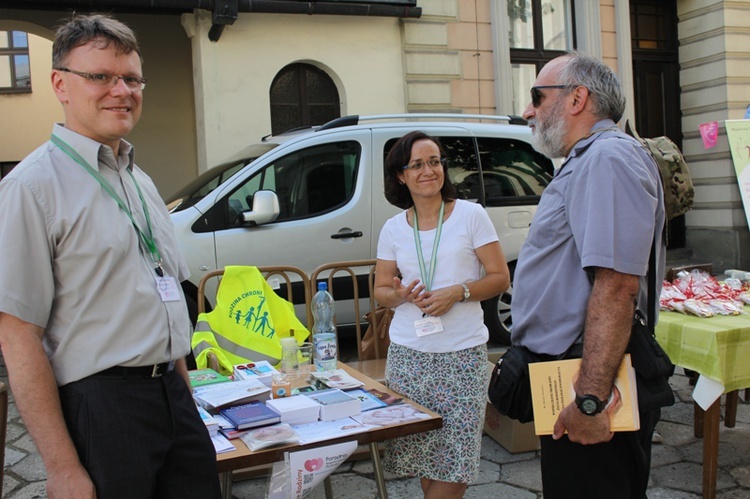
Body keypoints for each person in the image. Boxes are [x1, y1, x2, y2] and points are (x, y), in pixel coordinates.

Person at [0, 14, 221, 498]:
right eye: (100, 76)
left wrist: (184, 395)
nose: (121, 90)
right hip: (102, 407)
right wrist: (60, 468)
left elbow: (165, 297)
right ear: (60, 83)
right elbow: (19, 336)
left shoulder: (139, 181)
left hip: (173, 395)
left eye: (132, 78)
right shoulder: (30, 188)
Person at [512, 51, 666, 498]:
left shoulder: (607, 159)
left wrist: (590, 401)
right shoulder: (590, 159)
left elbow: (617, 285)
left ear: (577, 98)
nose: (528, 110)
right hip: (572, 371)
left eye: (538, 97)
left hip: (589, 378)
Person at [374, 131, 510, 499]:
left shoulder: (471, 215)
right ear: (401, 176)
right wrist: (400, 295)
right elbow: (381, 289)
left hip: (462, 355)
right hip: (409, 357)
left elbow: (500, 277)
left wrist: (459, 292)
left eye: (434, 161)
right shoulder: (393, 228)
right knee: (426, 456)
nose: (428, 170)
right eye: (416, 165)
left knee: (457, 461)